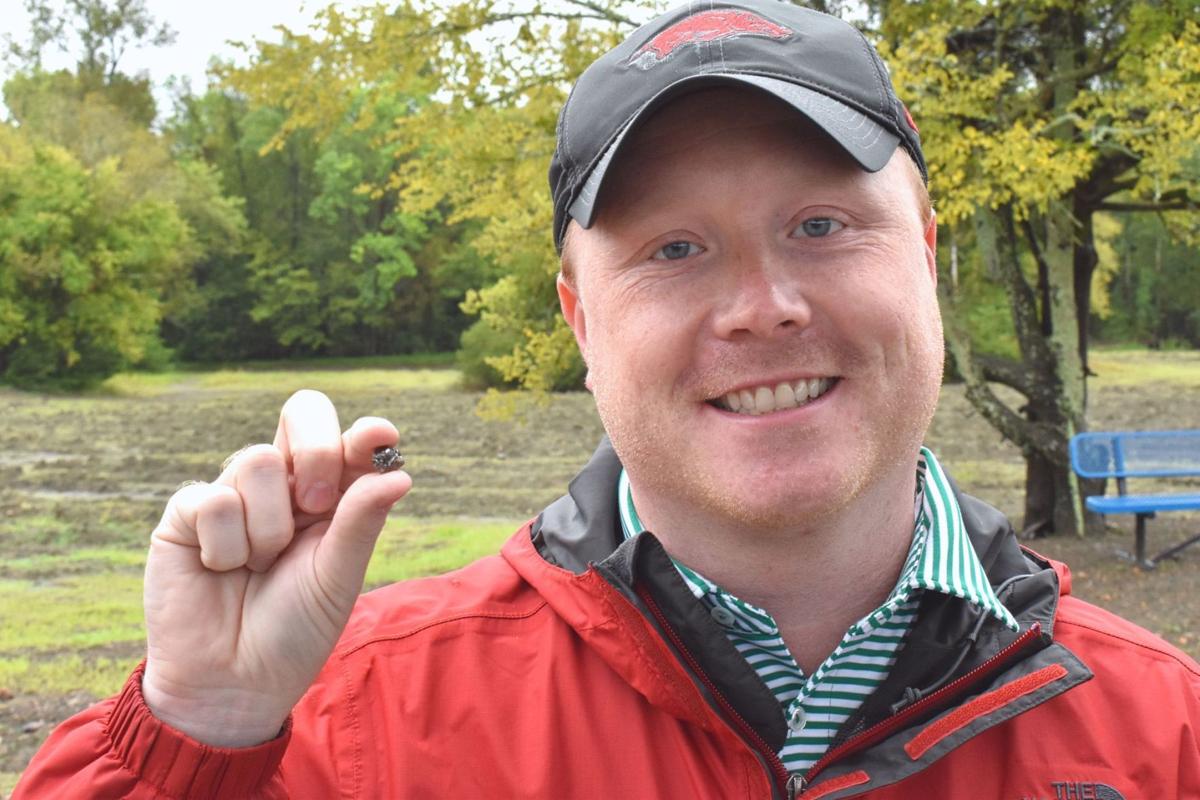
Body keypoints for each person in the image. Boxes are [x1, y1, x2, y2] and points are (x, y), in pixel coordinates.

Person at [15, 2, 1200, 798]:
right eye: (675, 250)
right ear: (582, 321)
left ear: (927, 258)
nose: (762, 306)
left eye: (822, 224)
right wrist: (196, 731)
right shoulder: (356, 723)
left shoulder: (1160, 733)